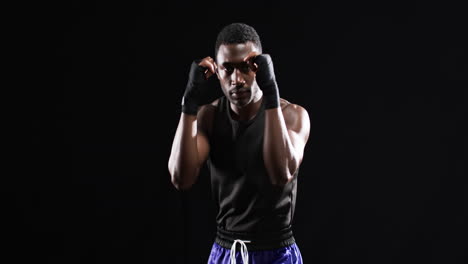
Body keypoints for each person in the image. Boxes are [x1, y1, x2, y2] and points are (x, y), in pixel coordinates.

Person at [168, 22, 311, 264]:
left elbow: (281, 173)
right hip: (226, 252)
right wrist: (189, 103)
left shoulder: (293, 115)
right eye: (228, 69)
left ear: (259, 67)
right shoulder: (209, 116)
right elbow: (181, 178)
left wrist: (271, 93)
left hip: (277, 253)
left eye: (246, 68)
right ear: (217, 70)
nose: (237, 79)